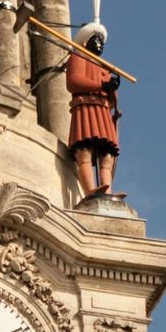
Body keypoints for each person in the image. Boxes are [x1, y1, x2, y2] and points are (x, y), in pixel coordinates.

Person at [65, 16, 120, 197]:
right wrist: (101, 86)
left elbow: (111, 96)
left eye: (102, 42)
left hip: (102, 112)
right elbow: (74, 82)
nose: (100, 45)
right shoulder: (77, 57)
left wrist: (112, 89)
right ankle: (90, 190)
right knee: (85, 149)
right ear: (87, 41)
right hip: (86, 108)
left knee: (106, 154)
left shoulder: (105, 68)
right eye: (97, 41)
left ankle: (108, 190)